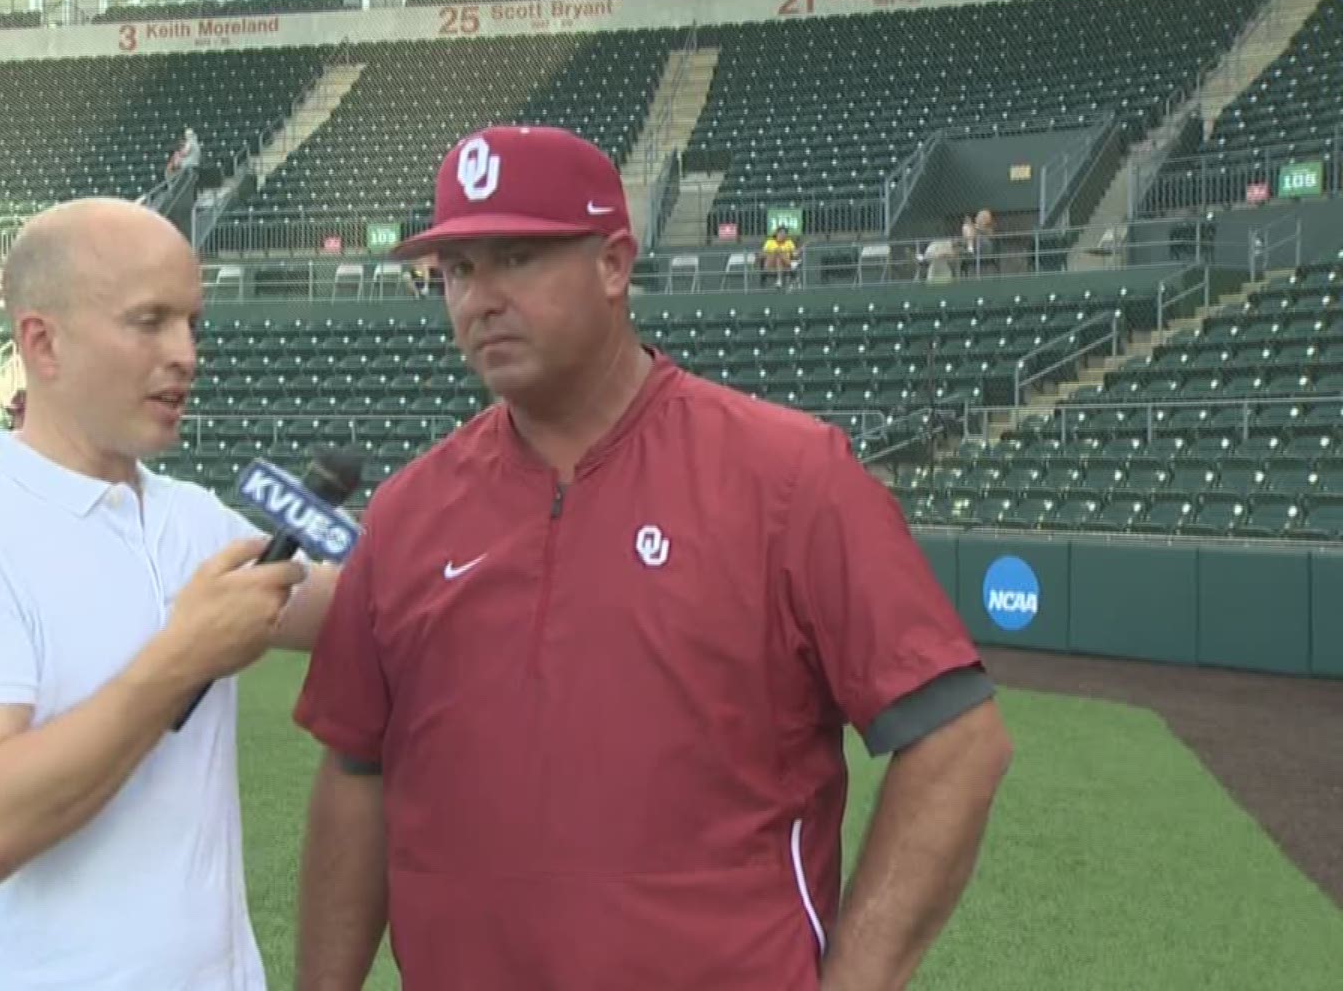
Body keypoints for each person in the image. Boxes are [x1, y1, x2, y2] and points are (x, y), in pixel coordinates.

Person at [291, 126, 1013, 991]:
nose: (479, 298)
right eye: (458, 269)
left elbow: (959, 741)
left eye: (517, 258)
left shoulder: (788, 476)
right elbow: (356, 774)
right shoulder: (409, 511)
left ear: (614, 265)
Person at [0, 197, 341, 991]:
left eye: (192, 322)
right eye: (149, 321)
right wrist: (181, 657)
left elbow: (359, 605)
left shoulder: (193, 520)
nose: (185, 353)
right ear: (42, 343)